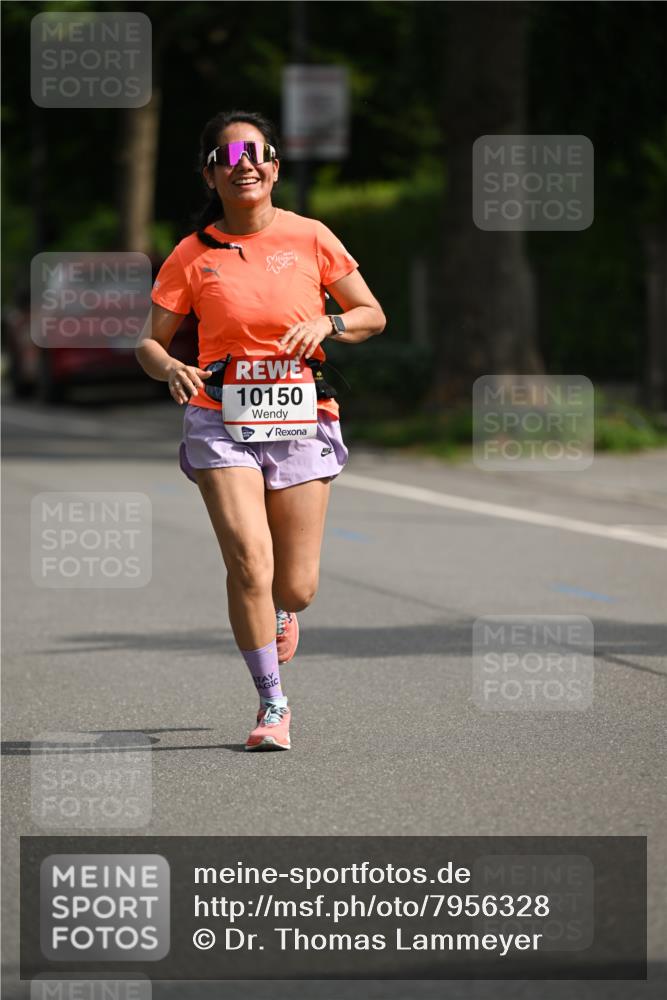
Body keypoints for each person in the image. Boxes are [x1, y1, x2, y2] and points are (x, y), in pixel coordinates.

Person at [135, 110, 386, 751]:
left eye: (255, 153)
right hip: (219, 417)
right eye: (227, 156)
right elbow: (149, 344)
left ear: (273, 167)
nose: (243, 163)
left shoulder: (311, 237)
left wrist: (329, 324)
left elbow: (371, 313)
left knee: (295, 583)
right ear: (210, 175)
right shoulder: (192, 254)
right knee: (249, 560)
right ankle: (273, 703)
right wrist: (171, 368)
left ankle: (282, 609)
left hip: (302, 416)